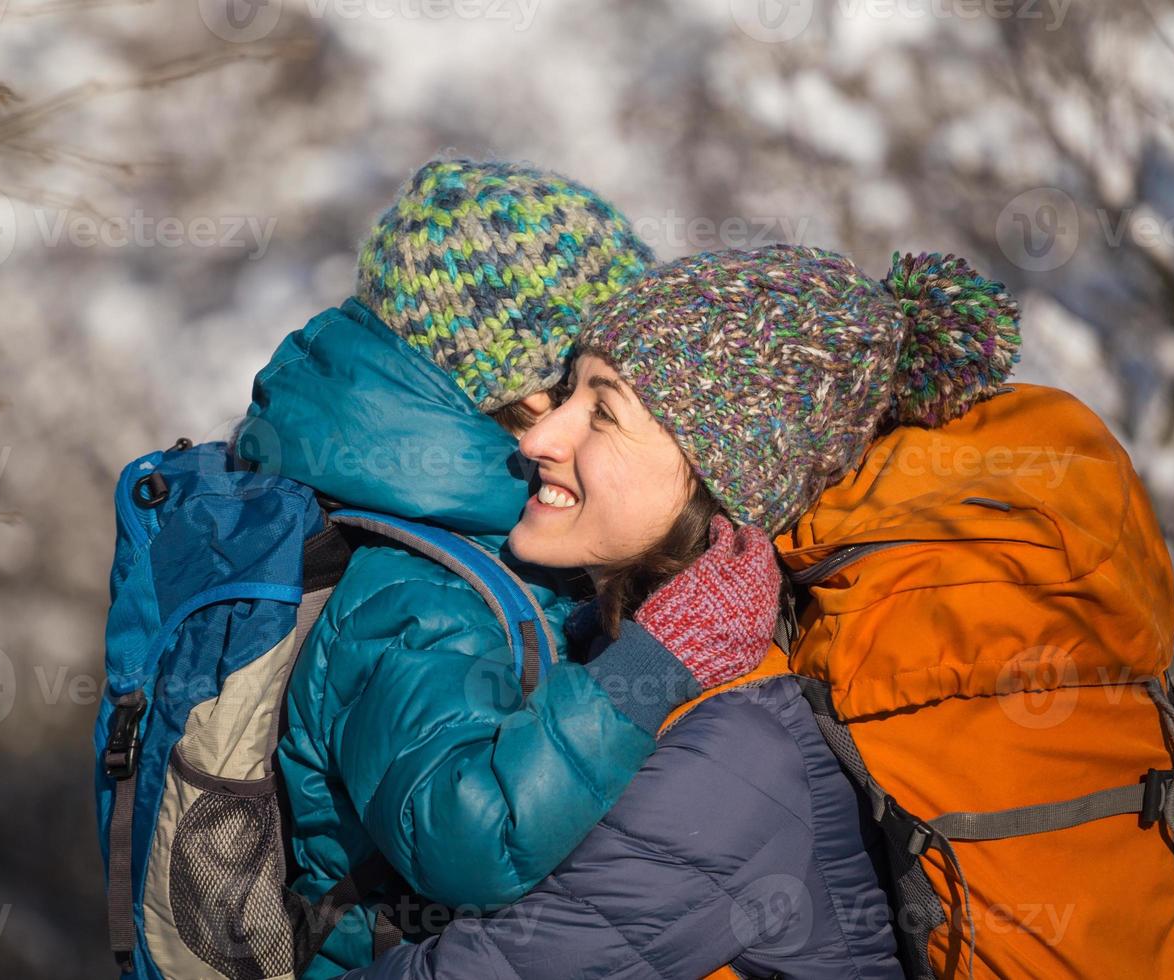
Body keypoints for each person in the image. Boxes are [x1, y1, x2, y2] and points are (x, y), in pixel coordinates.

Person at [341, 243, 1022, 979]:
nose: (538, 437)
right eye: (567, 392)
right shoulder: (626, 660)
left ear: (714, 481)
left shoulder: (735, 752)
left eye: (601, 412)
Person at [235, 160, 782, 977]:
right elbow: (467, 836)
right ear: (525, 393)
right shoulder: (411, 587)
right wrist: (653, 663)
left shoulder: (488, 546)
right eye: (586, 392)